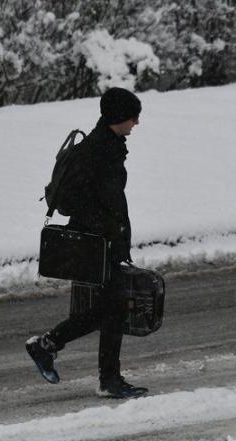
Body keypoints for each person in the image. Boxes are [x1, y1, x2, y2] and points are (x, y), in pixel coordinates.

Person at [26, 87, 147, 399]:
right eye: (133, 116)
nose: (136, 123)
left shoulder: (110, 147)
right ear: (118, 117)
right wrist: (107, 227)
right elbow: (75, 200)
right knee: (114, 308)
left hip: (106, 241)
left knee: (107, 310)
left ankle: (48, 345)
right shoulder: (96, 151)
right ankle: (108, 380)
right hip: (97, 244)